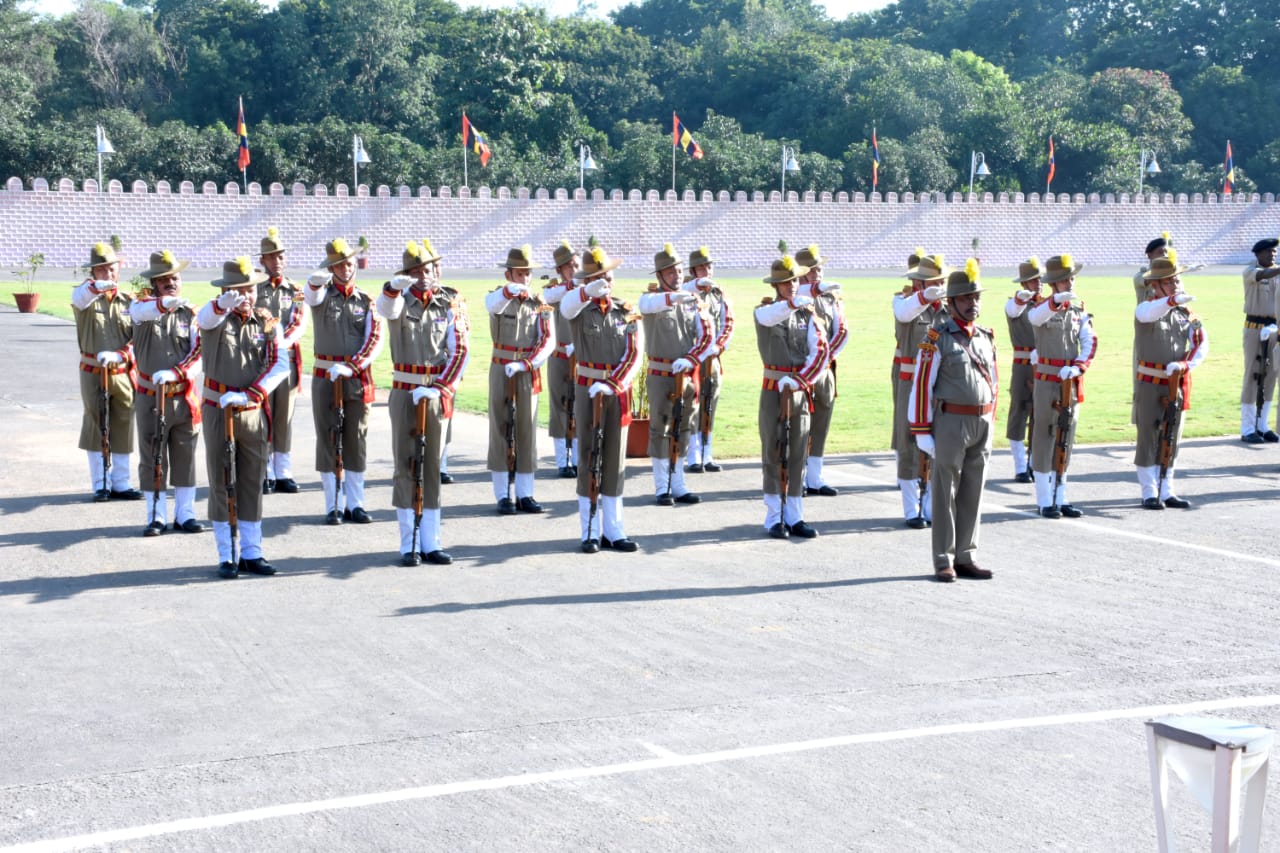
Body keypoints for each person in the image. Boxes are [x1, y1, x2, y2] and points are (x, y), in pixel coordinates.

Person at [376, 241, 468, 566]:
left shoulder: (450, 302)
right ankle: (408, 544)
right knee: (406, 466)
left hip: (435, 392)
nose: (422, 276)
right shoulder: (399, 302)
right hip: (405, 392)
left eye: (426, 270)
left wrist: (442, 387)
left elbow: (460, 350)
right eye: (414, 271)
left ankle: (432, 542)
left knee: (430, 469)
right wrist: (391, 288)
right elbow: (385, 309)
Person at [196, 257, 289, 578]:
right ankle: (227, 554)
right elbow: (205, 320)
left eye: (249, 288)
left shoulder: (266, 321)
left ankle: (252, 551)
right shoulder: (215, 317)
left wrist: (252, 394)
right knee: (222, 480)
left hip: (251, 408)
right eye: (239, 289)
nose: (246, 295)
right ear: (226, 290)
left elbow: (280, 364)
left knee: (251, 481)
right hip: (219, 408)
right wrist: (221, 305)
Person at [910, 259, 997, 583]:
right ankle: (943, 559)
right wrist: (921, 431)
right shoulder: (938, 338)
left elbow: (994, 382)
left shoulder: (985, 337)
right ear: (951, 303)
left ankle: (966, 556)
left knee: (973, 492)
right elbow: (921, 384)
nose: (973, 304)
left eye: (976, 298)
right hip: (950, 422)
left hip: (980, 423)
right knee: (945, 492)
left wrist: (990, 416)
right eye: (965, 299)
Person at [560, 241, 643, 552]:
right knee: (589, 458)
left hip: (616, 391)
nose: (604, 282)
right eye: (598, 278)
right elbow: (566, 306)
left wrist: (614, 384)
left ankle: (614, 529)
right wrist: (585, 291)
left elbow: (635, 354)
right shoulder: (579, 308)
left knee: (614, 459)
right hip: (587, 390)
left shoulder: (627, 310)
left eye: (607, 277)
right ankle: (590, 530)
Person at [304, 237, 384, 525]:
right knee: (327, 439)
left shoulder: (366, 300)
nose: (346, 269)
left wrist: (354, 366)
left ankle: (356, 503)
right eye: (339, 265)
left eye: (349, 263)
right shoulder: (323, 295)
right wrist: (316, 281)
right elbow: (310, 295)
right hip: (325, 375)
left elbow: (375, 339)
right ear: (331, 267)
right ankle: (332, 504)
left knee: (356, 439)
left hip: (355, 377)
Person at [128, 250, 206, 536]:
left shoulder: (191, 313)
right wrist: (164, 304)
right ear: (155, 283)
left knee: (185, 457)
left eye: (174, 277)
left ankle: (185, 514)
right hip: (151, 396)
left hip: (183, 395)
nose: (171, 282)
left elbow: (199, 353)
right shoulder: (141, 309)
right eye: (164, 279)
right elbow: (142, 311)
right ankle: (156, 515)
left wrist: (178, 372)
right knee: (152, 456)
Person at [754, 253, 829, 539]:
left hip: (798, 388)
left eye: (794, 281)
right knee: (773, 452)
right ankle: (774, 516)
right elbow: (771, 316)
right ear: (776, 286)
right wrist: (790, 305)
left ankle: (795, 515)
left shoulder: (808, 314)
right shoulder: (765, 311)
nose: (792, 286)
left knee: (798, 452)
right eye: (785, 283)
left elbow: (820, 352)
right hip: (773, 389)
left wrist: (801, 380)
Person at [640, 243, 713, 505]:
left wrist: (691, 358)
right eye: (670, 272)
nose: (677, 275)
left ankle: (678, 483)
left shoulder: (694, 302)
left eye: (679, 271)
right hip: (661, 372)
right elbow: (646, 305)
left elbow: (706, 336)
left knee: (684, 426)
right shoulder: (652, 299)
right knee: (661, 428)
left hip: (687, 371)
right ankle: (662, 486)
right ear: (659, 276)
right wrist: (673, 298)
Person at [1135, 250, 1207, 509]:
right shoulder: (1147, 306)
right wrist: (1172, 301)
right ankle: (1148, 491)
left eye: (1177, 280)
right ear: (1155, 285)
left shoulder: (1185, 312)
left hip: (1175, 382)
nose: (1176, 284)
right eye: (1169, 281)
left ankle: (1167, 490)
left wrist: (1186, 364)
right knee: (1148, 436)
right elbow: (1149, 315)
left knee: (1172, 436)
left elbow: (1202, 343)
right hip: (1150, 382)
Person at [72, 241, 143, 502]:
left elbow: (139, 338)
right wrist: (94, 287)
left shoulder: (129, 301)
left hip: (122, 371)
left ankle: (121, 482)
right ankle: (100, 482)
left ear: (119, 269)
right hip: (93, 370)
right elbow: (79, 297)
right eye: (101, 270)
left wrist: (122, 354)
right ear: (93, 273)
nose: (108, 274)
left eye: (111, 269)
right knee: (96, 423)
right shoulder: (85, 298)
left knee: (124, 422)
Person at [485, 245, 553, 514]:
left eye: (528, 273)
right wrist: (506, 292)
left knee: (526, 429)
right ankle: (503, 494)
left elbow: (548, 339)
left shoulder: (539, 304)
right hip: (501, 367)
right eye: (520, 273)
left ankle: (526, 493)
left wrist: (527, 363)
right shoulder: (498, 298)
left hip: (526, 369)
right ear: (508, 274)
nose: (525, 278)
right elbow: (492, 305)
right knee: (500, 428)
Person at [1027, 254, 1096, 518]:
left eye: (1072, 278)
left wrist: (1078, 366)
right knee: (1044, 438)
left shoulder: (1078, 311)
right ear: (1054, 284)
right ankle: (1045, 500)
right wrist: (1055, 302)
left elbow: (1090, 342)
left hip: (1070, 379)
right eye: (1065, 280)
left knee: (1065, 438)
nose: (1071, 283)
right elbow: (1035, 318)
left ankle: (1061, 495)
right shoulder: (1042, 307)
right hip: (1047, 379)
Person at [892, 252, 947, 528]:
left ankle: (929, 505)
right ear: (920, 284)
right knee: (908, 443)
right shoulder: (905, 302)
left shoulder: (947, 309)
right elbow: (903, 313)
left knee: (937, 444)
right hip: (911, 383)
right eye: (932, 281)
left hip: (939, 385)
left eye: (941, 280)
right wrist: (926, 297)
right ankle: (910, 508)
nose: (939, 285)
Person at [255, 226, 308, 493]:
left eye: (280, 256)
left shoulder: (296, 290)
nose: (277, 261)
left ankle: (283, 471)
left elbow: (298, 323)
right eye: (271, 257)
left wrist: (278, 344)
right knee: (262, 414)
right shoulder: (254, 288)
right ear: (262, 261)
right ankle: (264, 470)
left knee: (284, 416)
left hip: (284, 359)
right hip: (259, 361)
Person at [795, 244, 848, 496]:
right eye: (812, 269)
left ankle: (815, 477)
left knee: (821, 423)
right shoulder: (795, 296)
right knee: (797, 424)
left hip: (824, 368)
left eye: (819, 269)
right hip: (800, 369)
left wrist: (825, 358)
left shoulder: (831, 297)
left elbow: (842, 331)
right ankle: (796, 477)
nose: (818, 273)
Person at [682, 246, 734, 473]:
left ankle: (707, 452)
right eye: (701, 267)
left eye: (709, 266)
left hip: (711, 357)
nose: (706, 271)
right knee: (692, 405)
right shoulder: (685, 291)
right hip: (693, 357)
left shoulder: (718, 293)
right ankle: (692, 455)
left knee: (710, 404)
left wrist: (718, 346)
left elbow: (728, 322)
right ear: (693, 271)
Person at [421, 238, 467, 484]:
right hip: (418, 368)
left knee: (444, 420)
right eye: (431, 267)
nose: (435, 272)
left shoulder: (453, 297)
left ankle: (441, 464)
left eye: (437, 266)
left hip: (445, 370)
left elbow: (463, 340)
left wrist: (454, 377)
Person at [541, 240, 581, 478]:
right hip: (559, 355)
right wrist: (572, 285)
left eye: (576, 265)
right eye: (569, 267)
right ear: (559, 270)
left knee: (578, 407)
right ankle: (562, 460)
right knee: (560, 406)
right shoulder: (556, 289)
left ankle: (576, 457)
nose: (574, 270)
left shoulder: (584, 288)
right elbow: (548, 296)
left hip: (580, 355)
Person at [1004, 258, 1045, 483]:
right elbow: (1014, 308)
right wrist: (1021, 298)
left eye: (1039, 279)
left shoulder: (1048, 303)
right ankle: (1020, 465)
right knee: (1018, 412)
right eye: (1033, 280)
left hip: (1044, 364)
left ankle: (1033, 463)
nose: (1038, 283)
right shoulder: (1015, 303)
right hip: (1022, 366)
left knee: (1041, 414)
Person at [1240, 237, 1280, 443]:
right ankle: (1247, 427)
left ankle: (1263, 425)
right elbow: (1264, 274)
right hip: (1254, 328)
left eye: (1274, 252)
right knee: (1253, 375)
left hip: (1275, 329)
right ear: (1258, 254)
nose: (1273, 254)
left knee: (1272, 375)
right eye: (1268, 252)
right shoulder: (1250, 271)